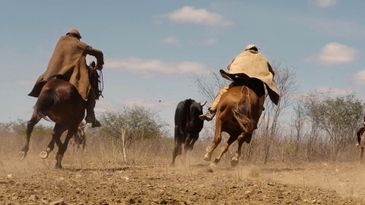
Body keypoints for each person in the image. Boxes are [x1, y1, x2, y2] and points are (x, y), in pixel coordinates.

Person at [28, 28, 104, 127]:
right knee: (89, 91)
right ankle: (90, 115)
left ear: (68, 35)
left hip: (54, 73)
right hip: (71, 74)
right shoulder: (78, 44)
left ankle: (39, 103)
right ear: (77, 38)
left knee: (43, 82)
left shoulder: (60, 42)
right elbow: (99, 53)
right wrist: (99, 65)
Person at [199, 44, 280, 121]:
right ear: (256, 50)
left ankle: (211, 111)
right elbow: (271, 72)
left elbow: (230, 67)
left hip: (241, 80)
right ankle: (259, 109)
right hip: (256, 83)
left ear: (247, 50)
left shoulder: (241, 55)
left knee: (223, 91)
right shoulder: (263, 58)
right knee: (261, 95)